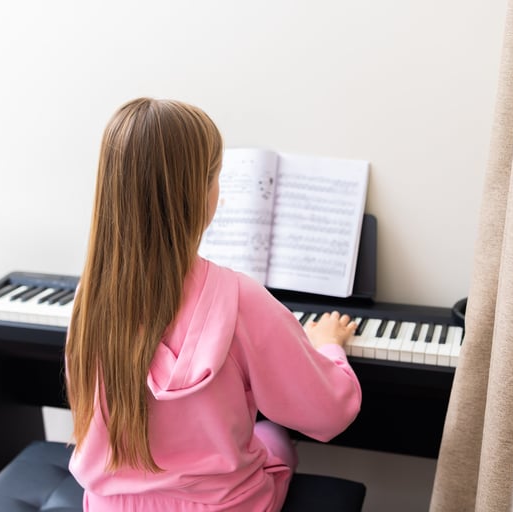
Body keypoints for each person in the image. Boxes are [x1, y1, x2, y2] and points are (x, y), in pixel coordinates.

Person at [65, 97, 362, 512]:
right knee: (276, 439)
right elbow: (330, 414)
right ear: (200, 193)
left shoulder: (89, 296)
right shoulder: (241, 299)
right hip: (224, 507)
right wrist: (327, 346)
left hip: (110, 505)